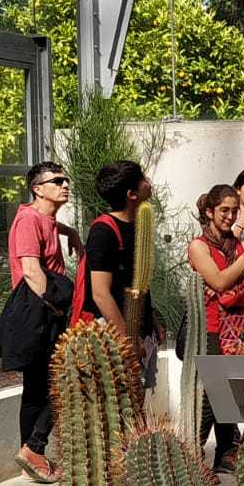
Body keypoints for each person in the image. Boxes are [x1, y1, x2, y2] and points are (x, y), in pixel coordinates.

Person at [187, 185, 244, 469]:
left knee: (225, 392)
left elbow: (238, 278)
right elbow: (220, 282)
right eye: (224, 210)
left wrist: (243, 270)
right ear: (209, 211)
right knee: (210, 395)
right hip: (210, 327)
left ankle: (225, 453)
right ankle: (193, 455)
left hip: (236, 327)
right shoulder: (199, 246)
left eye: (233, 211)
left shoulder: (233, 243)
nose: (229, 217)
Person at [0, 161, 78, 483]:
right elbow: (31, 269)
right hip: (39, 313)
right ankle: (35, 446)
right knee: (61, 381)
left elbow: (46, 224)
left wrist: (68, 231)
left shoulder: (44, 218)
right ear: (38, 188)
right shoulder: (28, 221)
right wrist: (56, 308)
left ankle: (32, 456)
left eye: (65, 180)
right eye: (57, 181)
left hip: (43, 313)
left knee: (35, 389)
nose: (65, 185)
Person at [76, 160, 161, 381]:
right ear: (132, 194)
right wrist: (128, 339)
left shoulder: (139, 225)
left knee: (137, 404)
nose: (148, 182)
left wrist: (151, 321)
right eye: (143, 178)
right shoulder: (103, 231)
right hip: (114, 335)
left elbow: (137, 283)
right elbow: (100, 293)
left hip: (139, 331)